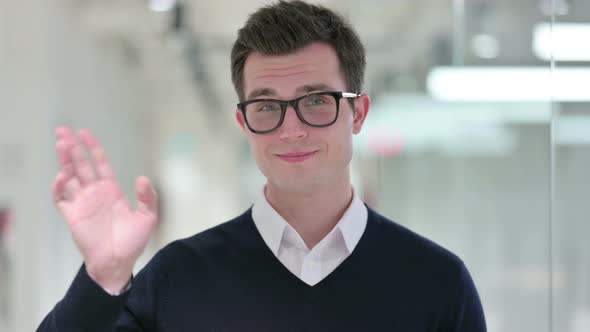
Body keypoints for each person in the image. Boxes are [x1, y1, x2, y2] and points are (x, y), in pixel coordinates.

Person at [38, 1, 486, 331]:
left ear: (359, 113)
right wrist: (104, 277)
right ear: (244, 122)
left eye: (315, 101)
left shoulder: (437, 284)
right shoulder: (178, 277)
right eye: (267, 107)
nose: (290, 129)